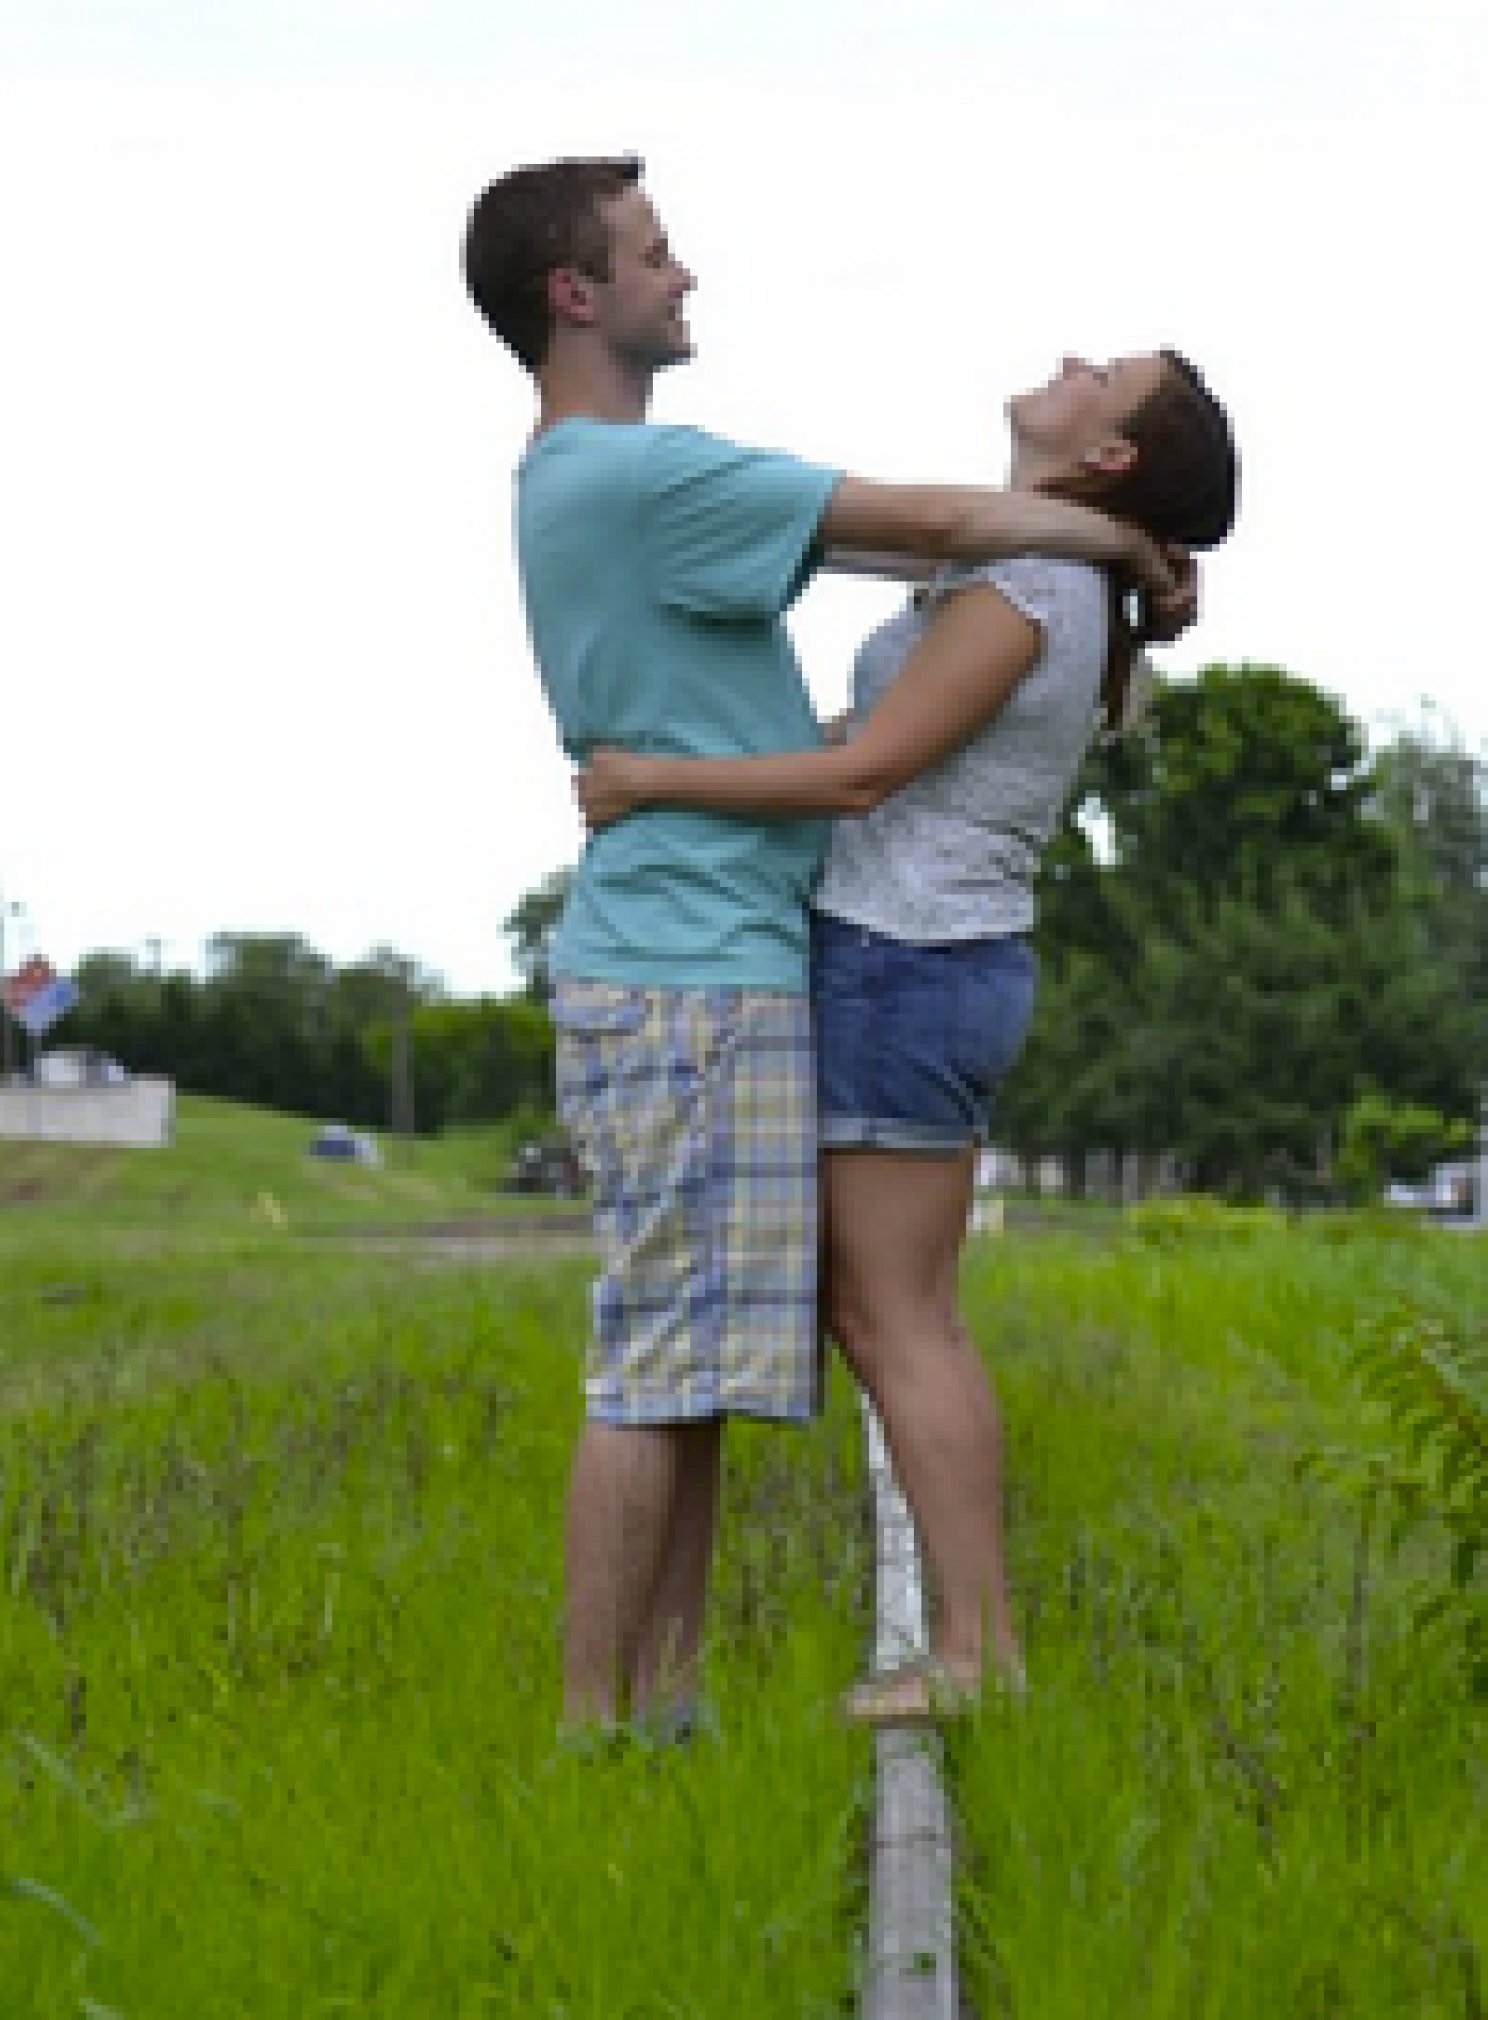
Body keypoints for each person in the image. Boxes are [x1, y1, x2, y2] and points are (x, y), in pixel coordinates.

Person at [463, 153, 1192, 1735]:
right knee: (676, 1365)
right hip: (697, 964)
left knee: (720, 1363)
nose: (687, 274)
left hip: (769, 951)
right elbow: (915, 531)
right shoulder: (645, 479)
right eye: (655, 255)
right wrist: (1121, 547)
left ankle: (668, 1715)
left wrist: (1107, 548)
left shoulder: (616, 485)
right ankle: (610, 1731)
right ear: (573, 295)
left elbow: (874, 720)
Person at [577, 347, 1238, 1720]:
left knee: (899, 1322)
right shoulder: (1043, 571)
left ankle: (976, 1654)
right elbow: (872, 734)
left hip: (904, 959)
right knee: (889, 1316)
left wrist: (653, 782)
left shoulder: (1030, 585)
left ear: (1106, 454)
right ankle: (967, 1646)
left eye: (1101, 374)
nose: (1068, 362)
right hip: (919, 957)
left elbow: (866, 773)